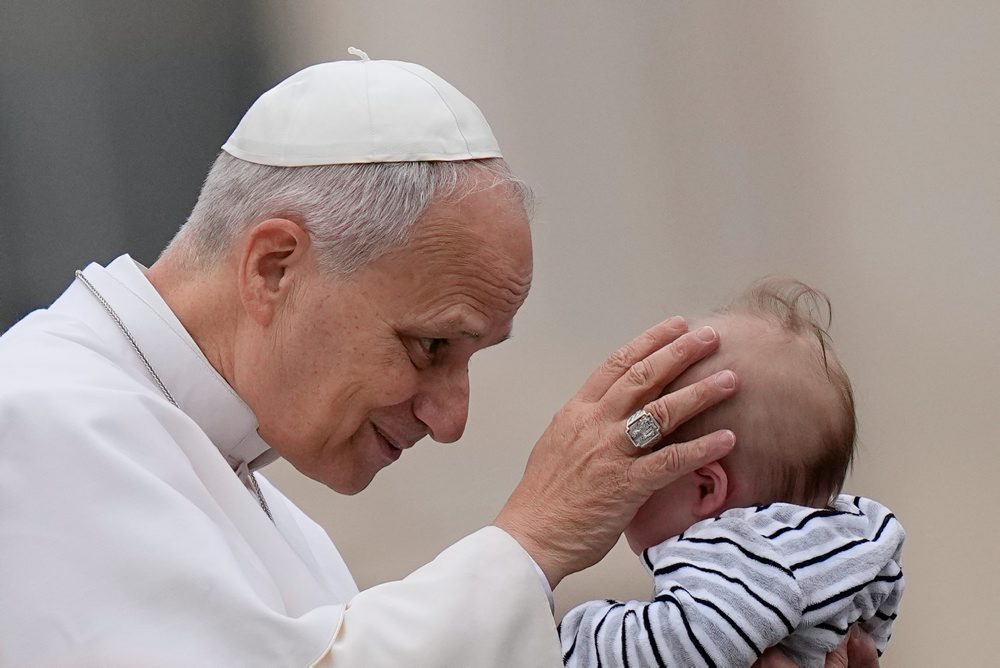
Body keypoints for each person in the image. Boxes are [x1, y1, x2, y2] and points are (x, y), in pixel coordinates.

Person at [0, 50, 875, 667]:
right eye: (430, 348)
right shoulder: (37, 423)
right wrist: (531, 539)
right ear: (275, 266)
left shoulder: (272, 517)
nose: (450, 418)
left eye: (472, 360)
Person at [559, 280, 905, 668]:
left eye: (637, 462)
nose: (620, 477)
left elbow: (670, 649)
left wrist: (568, 637)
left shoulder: (740, 552)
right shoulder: (847, 539)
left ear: (706, 487)